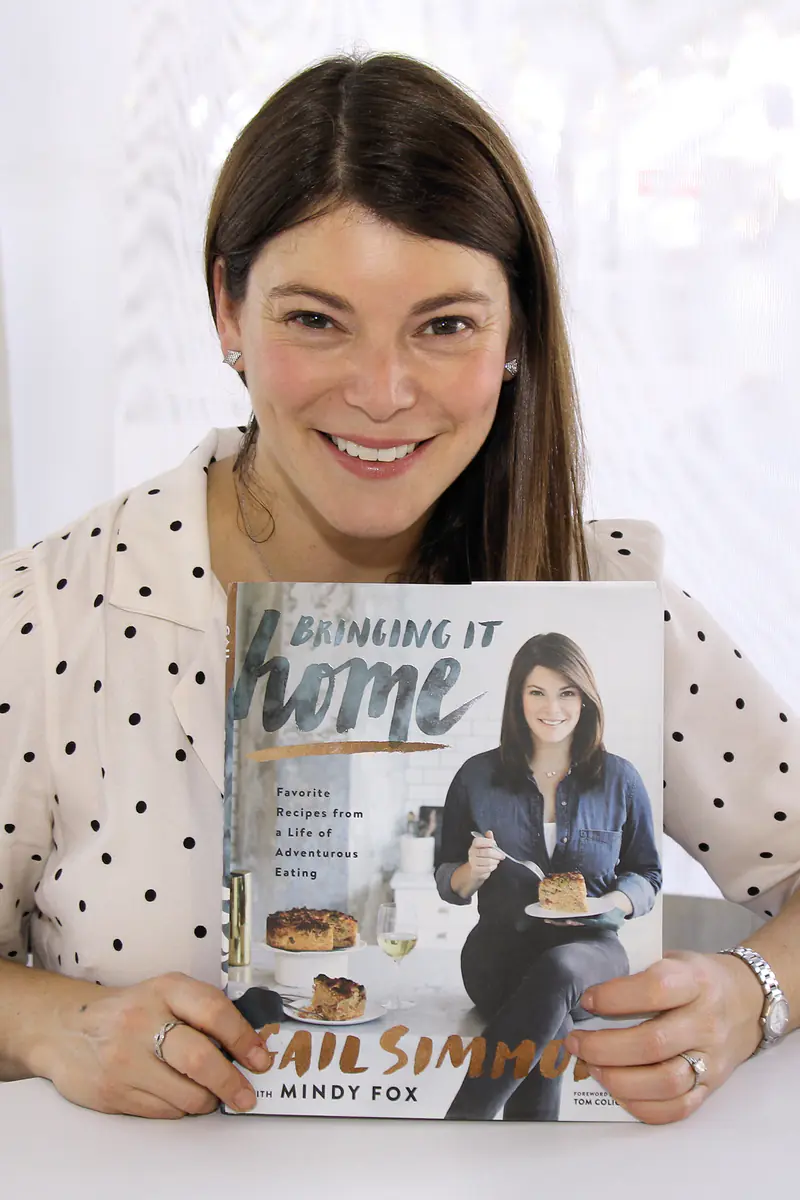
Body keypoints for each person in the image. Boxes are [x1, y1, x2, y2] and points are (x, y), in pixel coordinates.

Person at [0, 50, 797, 1125]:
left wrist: (751, 994)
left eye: (445, 325)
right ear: (226, 309)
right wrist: (49, 1024)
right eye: (315, 320)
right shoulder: (54, 614)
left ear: (515, 334)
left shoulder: (604, 604)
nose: (381, 393)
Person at [436, 631, 662, 1120]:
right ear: (518, 699)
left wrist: (612, 903)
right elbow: (447, 878)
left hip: (590, 953)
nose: (552, 708)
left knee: (557, 974)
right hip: (498, 954)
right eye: (537, 692)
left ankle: (463, 1122)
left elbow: (647, 874)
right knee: (547, 1015)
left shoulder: (621, 779)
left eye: (567, 693)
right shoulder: (476, 777)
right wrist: (471, 872)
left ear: (585, 700)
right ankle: (525, 1149)